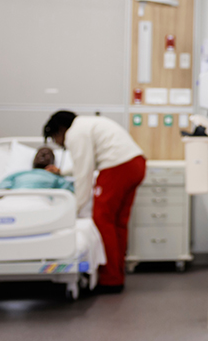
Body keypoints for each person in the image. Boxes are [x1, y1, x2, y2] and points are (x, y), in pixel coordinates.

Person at [43, 111, 145, 292]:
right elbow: (83, 166)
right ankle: (117, 275)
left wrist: (73, 210)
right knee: (118, 223)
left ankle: (110, 280)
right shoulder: (87, 124)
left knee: (102, 220)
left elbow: (84, 176)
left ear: (60, 130)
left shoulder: (75, 133)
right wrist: (63, 172)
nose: (58, 144)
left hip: (117, 167)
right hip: (135, 164)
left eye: (54, 138)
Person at [0, 146, 74, 193]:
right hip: (17, 198)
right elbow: (1, 190)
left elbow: (69, 193)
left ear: (53, 162)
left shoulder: (56, 178)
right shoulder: (19, 174)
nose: (43, 155)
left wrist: (60, 173)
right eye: (40, 153)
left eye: (48, 154)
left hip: (42, 202)